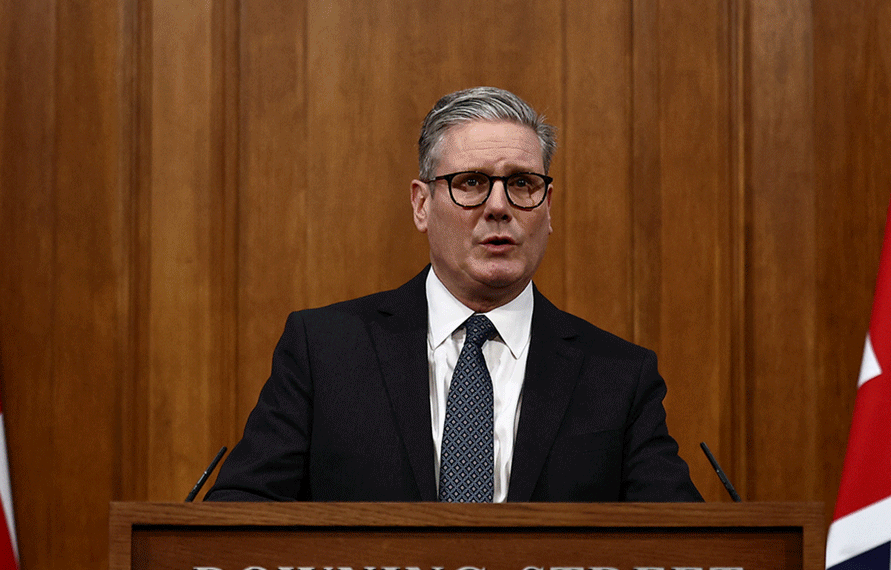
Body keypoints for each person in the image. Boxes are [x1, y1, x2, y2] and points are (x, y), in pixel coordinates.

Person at [206, 86, 702, 504]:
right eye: (471, 183)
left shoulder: (618, 374)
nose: (499, 207)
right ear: (422, 205)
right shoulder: (325, 350)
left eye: (523, 184)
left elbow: (686, 550)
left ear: (547, 208)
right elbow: (240, 517)